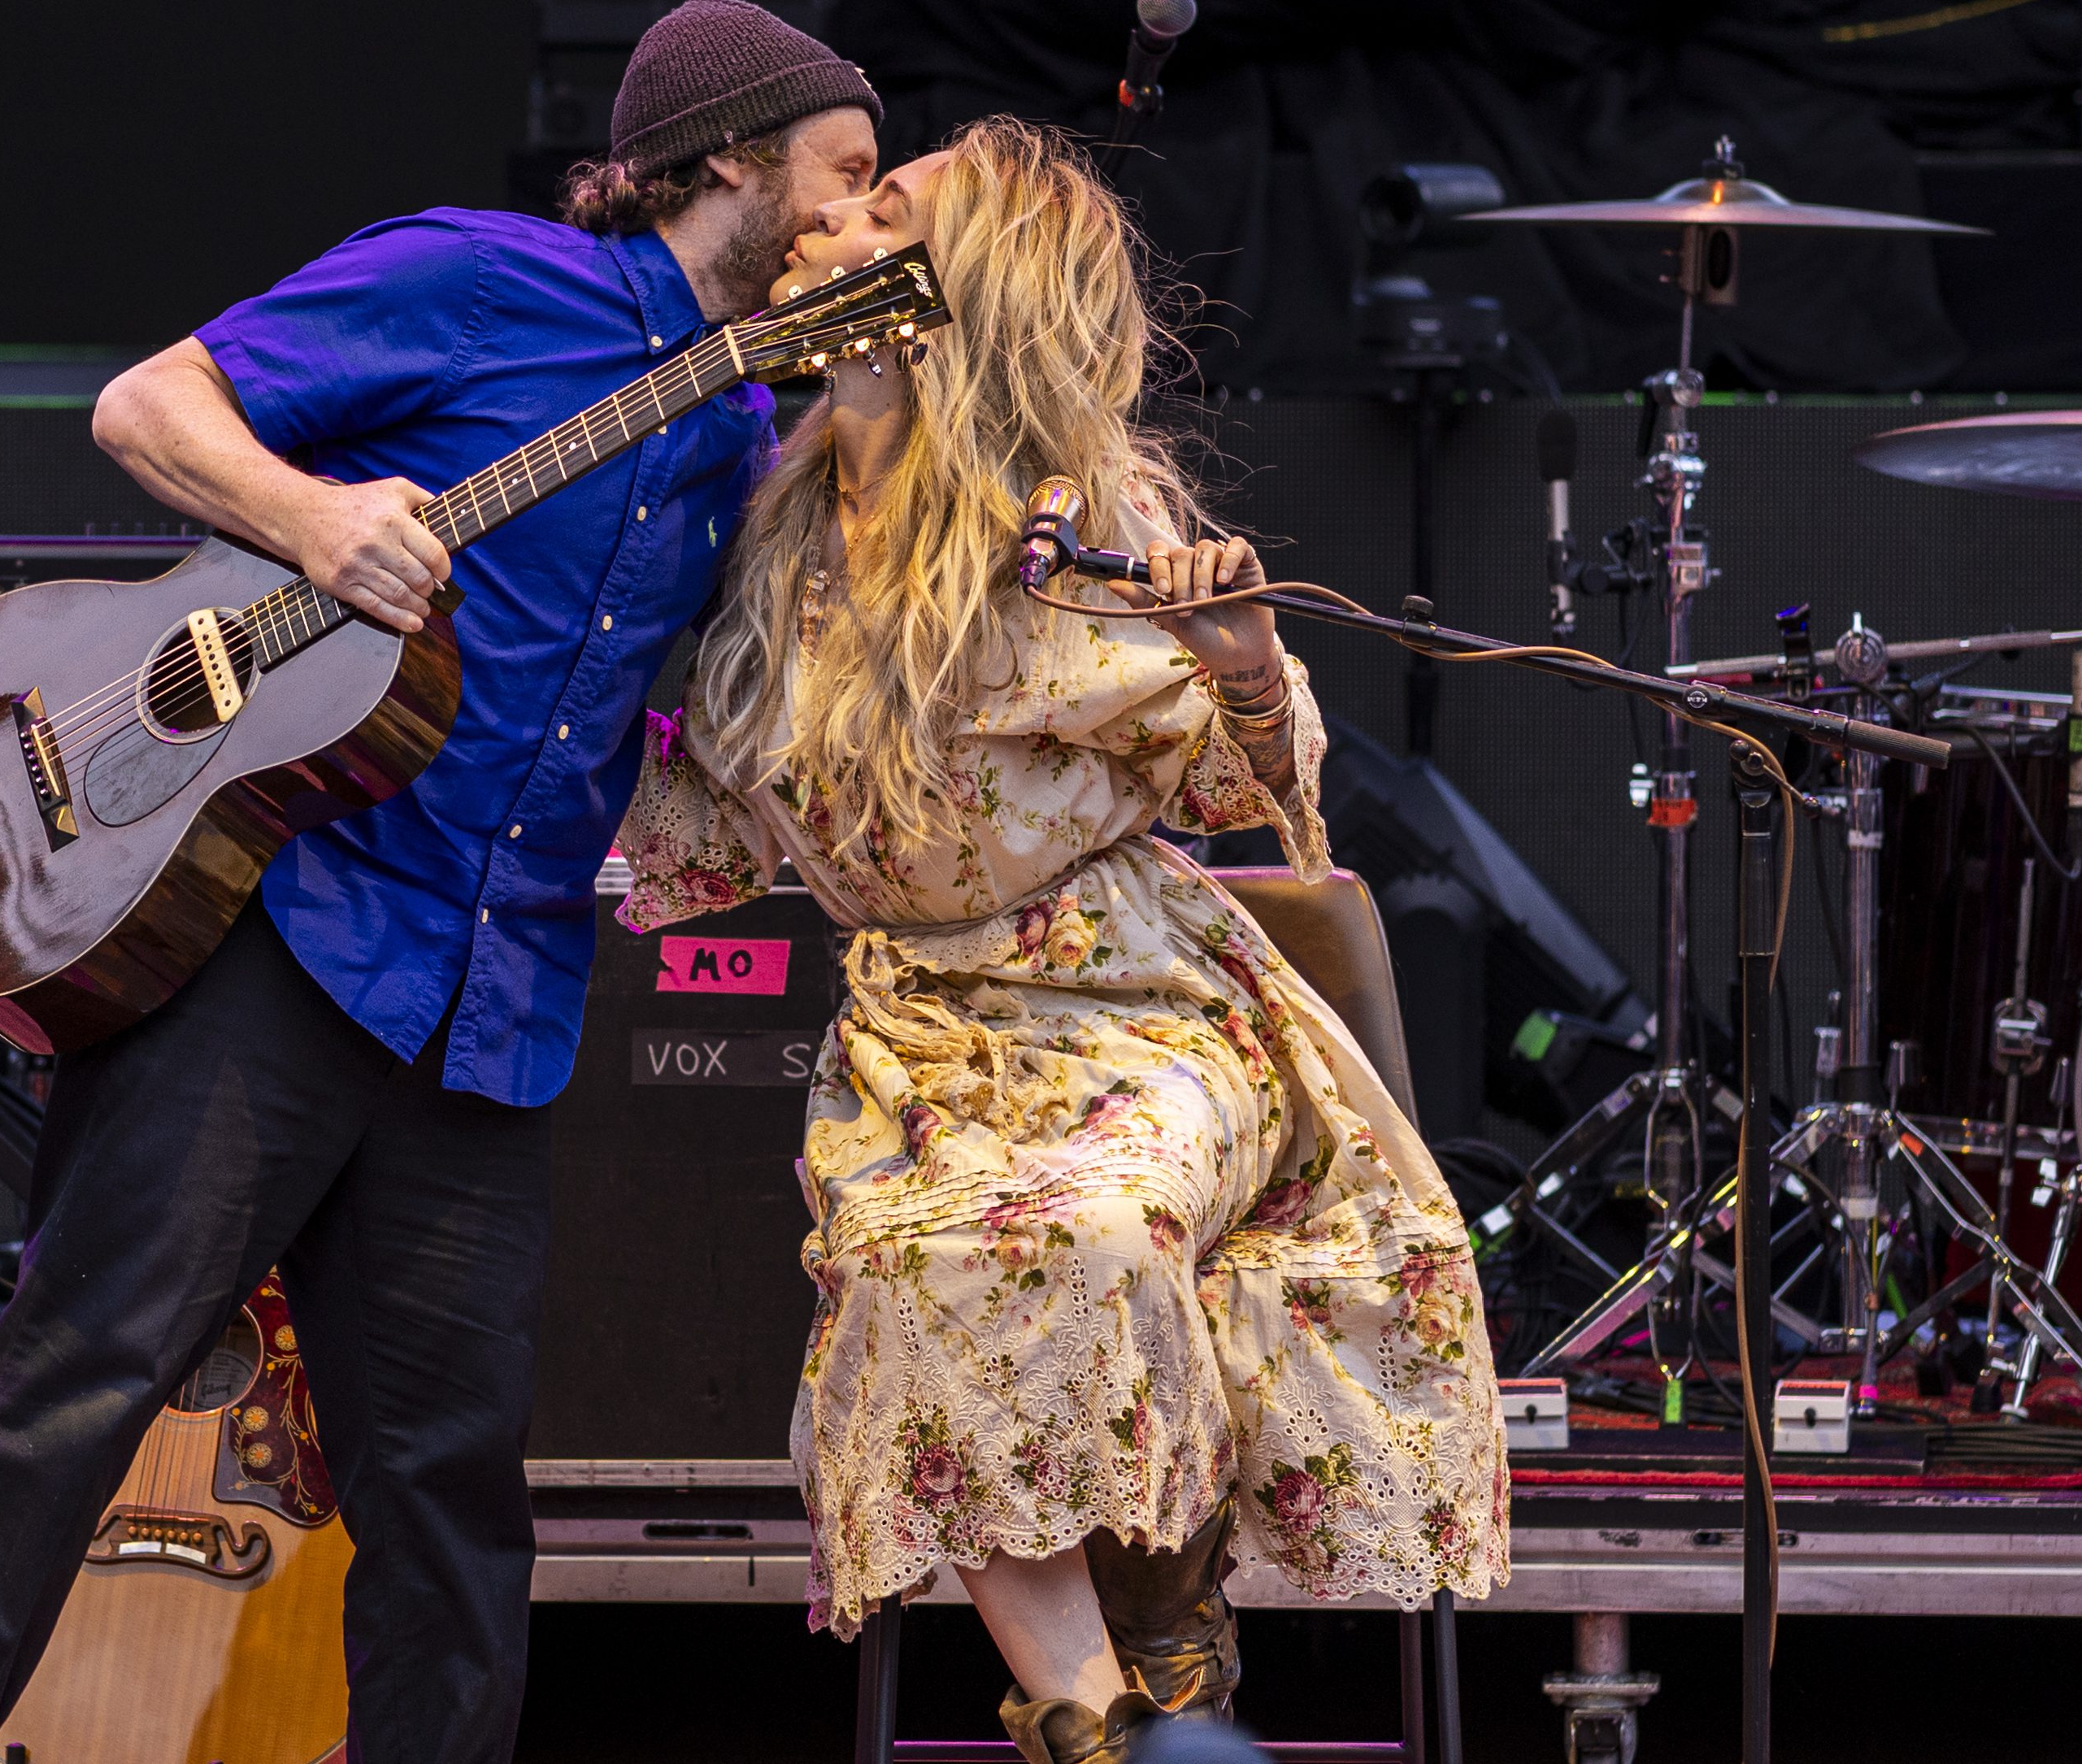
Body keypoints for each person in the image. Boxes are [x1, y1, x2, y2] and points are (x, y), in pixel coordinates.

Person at [0, 0, 881, 1764]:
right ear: (727, 162)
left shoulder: (736, 435)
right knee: (80, 1373)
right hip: (287, 929)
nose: (864, 217)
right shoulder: (475, 278)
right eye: (845, 175)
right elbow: (147, 405)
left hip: (490, 997)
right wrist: (312, 517)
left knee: (448, 1479)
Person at [616, 117, 1508, 1764]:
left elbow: (1249, 784)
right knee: (915, 1254)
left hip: (1132, 1005)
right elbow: (727, 810)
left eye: (881, 207)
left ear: (953, 286)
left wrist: (1245, 664)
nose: (826, 221)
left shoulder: (1073, 511)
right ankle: (1119, 1716)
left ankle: (1136, 1671)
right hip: (918, 1040)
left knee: (1087, 1224)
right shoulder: (766, 514)